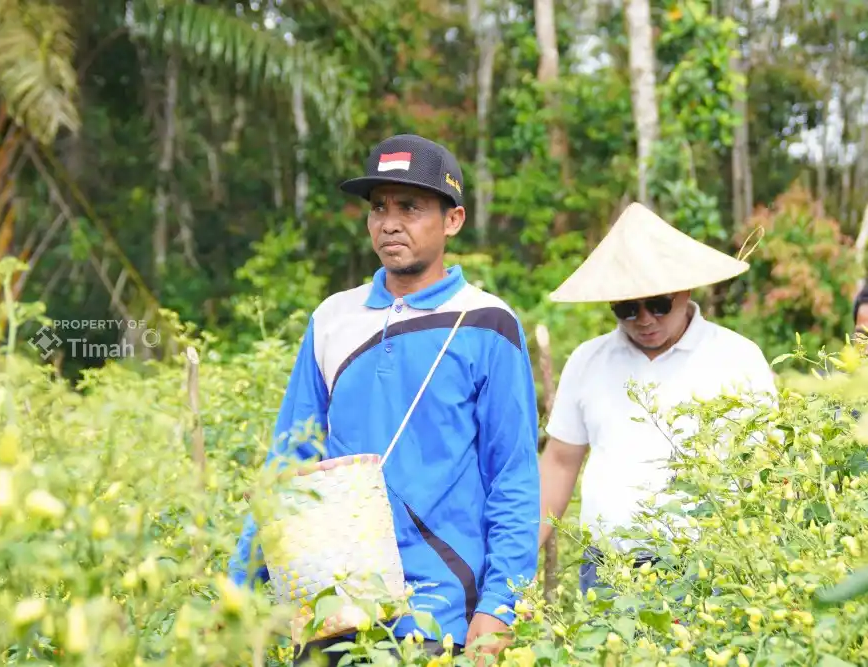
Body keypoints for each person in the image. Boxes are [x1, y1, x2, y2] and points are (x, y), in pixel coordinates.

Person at [227, 134, 541, 665]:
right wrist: (240, 583)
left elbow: (512, 476)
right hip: (332, 602)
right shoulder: (332, 319)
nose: (389, 222)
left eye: (411, 207)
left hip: (441, 612)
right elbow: (290, 459)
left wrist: (501, 605)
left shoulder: (488, 324)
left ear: (453, 220)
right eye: (378, 207)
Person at [536, 202, 778, 595]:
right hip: (608, 571)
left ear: (686, 290)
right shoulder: (587, 361)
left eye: (660, 304)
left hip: (709, 569)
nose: (645, 319)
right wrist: (518, 563)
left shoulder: (737, 357)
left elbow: (766, 470)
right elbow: (560, 464)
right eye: (627, 309)